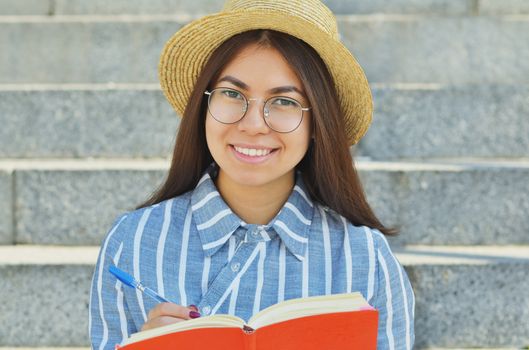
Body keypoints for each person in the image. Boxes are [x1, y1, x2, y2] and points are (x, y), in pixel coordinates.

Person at [89, 0, 415, 348]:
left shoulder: (365, 257)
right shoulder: (133, 242)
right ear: (204, 105)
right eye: (232, 94)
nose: (253, 125)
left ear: (317, 123)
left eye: (284, 101)